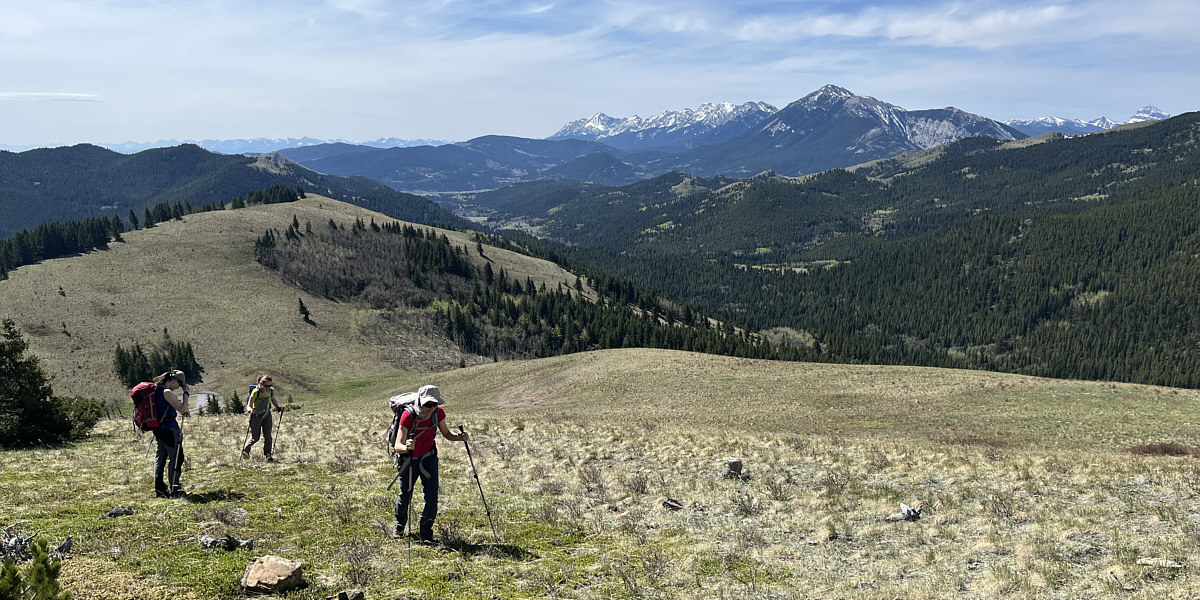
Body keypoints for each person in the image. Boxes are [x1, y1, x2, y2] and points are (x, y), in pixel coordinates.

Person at [394, 384, 468, 543]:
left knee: (432, 497)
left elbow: (447, 434)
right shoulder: (408, 416)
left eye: (435, 404)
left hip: (429, 458)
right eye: (428, 404)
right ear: (420, 401)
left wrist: (460, 437)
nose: (432, 408)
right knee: (405, 495)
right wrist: (405, 447)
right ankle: (399, 526)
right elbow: (397, 445)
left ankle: (426, 534)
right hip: (409, 461)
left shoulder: (438, 413)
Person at [152, 370, 190, 498]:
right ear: (174, 381)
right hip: (170, 429)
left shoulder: (156, 390)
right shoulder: (167, 392)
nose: (178, 387)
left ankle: (159, 489)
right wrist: (186, 393)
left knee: (161, 458)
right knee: (176, 457)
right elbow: (183, 409)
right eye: (179, 384)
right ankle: (175, 489)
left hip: (159, 429)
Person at [242, 374, 283, 461]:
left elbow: (273, 399)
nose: (268, 387)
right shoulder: (256, 392)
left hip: (267, 415)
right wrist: (250, 410)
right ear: (261, 384)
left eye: (270, 385)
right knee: (255, 438)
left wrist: (278, 407)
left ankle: (268, 455)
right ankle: (246, 451)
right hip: (256, 415)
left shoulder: (271, 391)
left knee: (268, 436)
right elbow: (249, 405)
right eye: (266, 385)